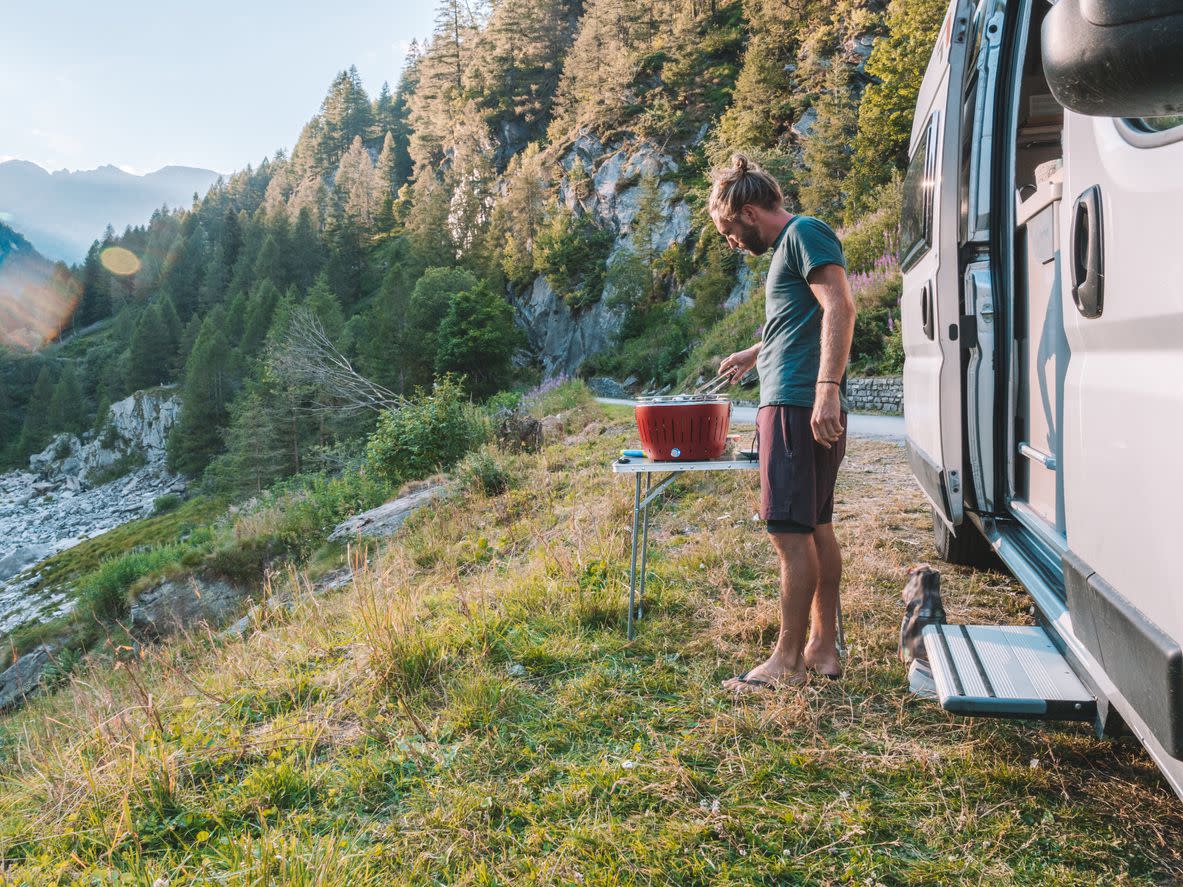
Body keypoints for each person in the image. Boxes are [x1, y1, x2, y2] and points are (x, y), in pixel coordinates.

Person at [709, 154, 856, 692]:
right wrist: (757, 351)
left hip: (797, 405)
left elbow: (840, 306)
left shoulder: (804, 234)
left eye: (729, 231)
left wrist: (826, 390)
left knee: (789, 534)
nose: (732, 243)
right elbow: (802, 318)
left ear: (749, 212)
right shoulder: (795, 246)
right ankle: (821, 648)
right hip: (797, 399)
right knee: (815, 527)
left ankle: (787, 661)